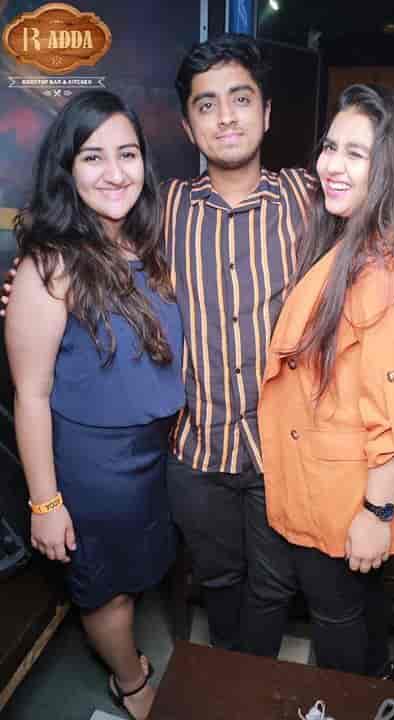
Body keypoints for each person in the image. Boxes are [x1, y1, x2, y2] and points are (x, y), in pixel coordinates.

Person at [1, 34, 394, 655]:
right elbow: (82, 237)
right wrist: (29, 282)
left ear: (266, 114)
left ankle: (256, 684)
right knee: (219, 582)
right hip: (197, 453)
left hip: (283, 453)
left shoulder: (313, 198)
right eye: (206, 104)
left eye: (241, 99)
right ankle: (227, 682)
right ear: (187, 127)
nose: (226, 117)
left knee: (275, 587)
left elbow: (386, 205)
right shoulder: (161, 212)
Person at [4, 90, 184, 720]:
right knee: (107, 591)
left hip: (156, 457)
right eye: (92, 157)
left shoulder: (150, 244)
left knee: (138, 573)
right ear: (68, 169)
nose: (114, 173)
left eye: (127, 154)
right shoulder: (49, 265)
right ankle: (130, 684)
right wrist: (46, 503)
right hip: (95, 468)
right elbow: (31, 395)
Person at [249, 83, 394, 675]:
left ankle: (345, 703)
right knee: (344, 609)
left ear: (392, 168)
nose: (331, 165)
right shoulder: (347, 240)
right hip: (316, 480)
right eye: (330, 147)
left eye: (356, 154)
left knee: (337, 619)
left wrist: (376, 515)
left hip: (344, 496)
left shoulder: (388, 274)